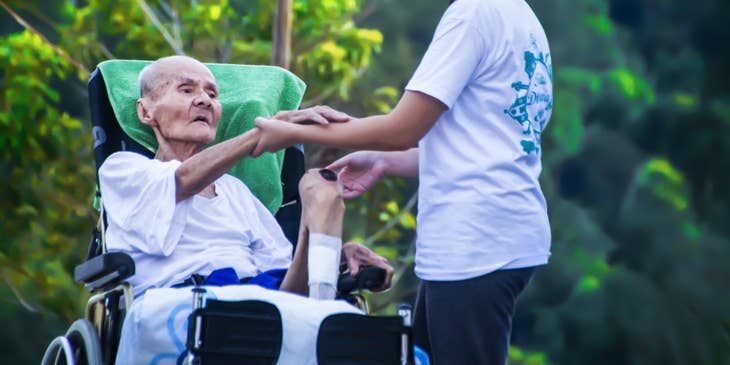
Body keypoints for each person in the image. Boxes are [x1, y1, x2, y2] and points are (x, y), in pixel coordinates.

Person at [251, 0, 553, 363]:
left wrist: (290, 132)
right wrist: (385, 161)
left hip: (474, 240)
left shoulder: (473, 14)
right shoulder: (522, 18)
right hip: (503, 229)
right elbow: (483, 143)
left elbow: (402, 129)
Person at [98, 55, 393, 298]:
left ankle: (319, 223)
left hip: (255, 299)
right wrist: (265, 132)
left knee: (318, 184)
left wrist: (334, 256)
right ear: (146, 111)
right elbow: (183, 181)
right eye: (186, 90)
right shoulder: (123, 169)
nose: (204, 100)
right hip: (176, 303)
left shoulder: (235, 191)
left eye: (212, 94)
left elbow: (283, 275)